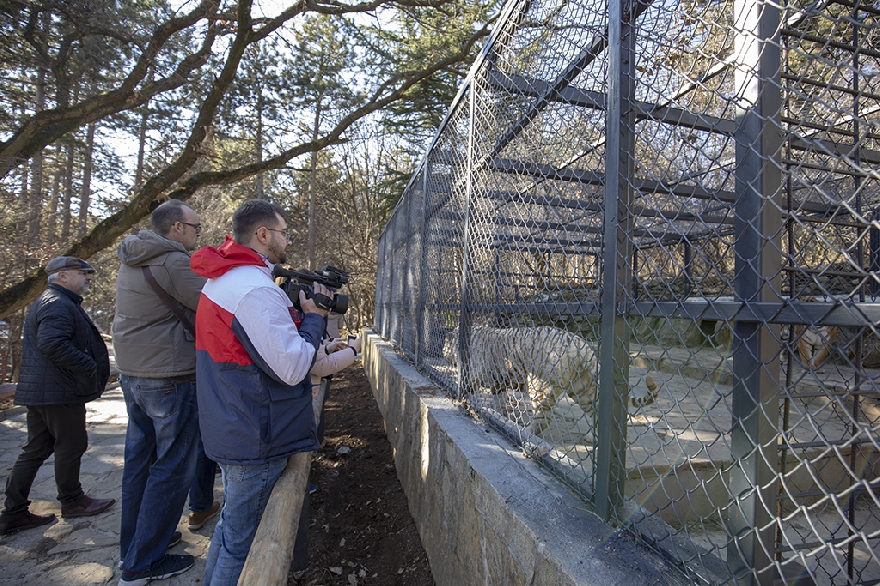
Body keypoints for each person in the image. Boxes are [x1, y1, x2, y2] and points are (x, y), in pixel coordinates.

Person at [190, 199, 330, 586]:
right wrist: (315, 320)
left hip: (231, 423)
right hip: (255, 434)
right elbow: (292, 366)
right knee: (243, 542)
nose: (288, 240)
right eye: (284, 233)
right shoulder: (253, 289)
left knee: (230, 531)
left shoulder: (224, 278)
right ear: (263, 234)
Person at [112, 200, 219, 586]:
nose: (197, 232)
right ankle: (142, 564)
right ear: (176, 228)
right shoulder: (173, 261)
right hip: (170, 376)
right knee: (173, 469)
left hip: (134, 375)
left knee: (140, 465)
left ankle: (136, 544)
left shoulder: (133, 256)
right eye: (195, 226)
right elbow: (212, 303)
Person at [0, 257, 114, 535]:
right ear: (62, 276)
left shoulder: (57, 301)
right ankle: (73, 501)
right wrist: (89, 366)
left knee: (36, 448)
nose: (89, 277)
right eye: (83, 272)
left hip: (46, 391)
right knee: (72, 445)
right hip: (59, 391)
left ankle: (13, 512)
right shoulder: (58, 304)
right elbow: (51, 344)